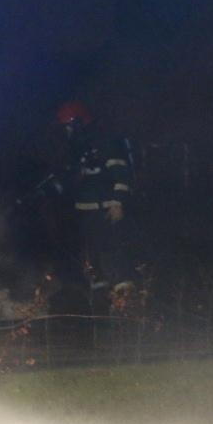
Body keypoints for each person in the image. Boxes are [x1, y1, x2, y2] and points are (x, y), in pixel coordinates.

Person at [54, 100, 138, 303]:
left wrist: (118, 203)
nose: (66, 131)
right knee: (93, 258)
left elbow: (121, 174)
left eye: (68, 126)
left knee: (112, 252)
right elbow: (76, 179)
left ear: (77, 123)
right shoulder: (79, 146)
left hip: (106, 209)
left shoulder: (104, 142)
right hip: (88, 212)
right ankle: (102, 302)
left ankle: (127, 301)